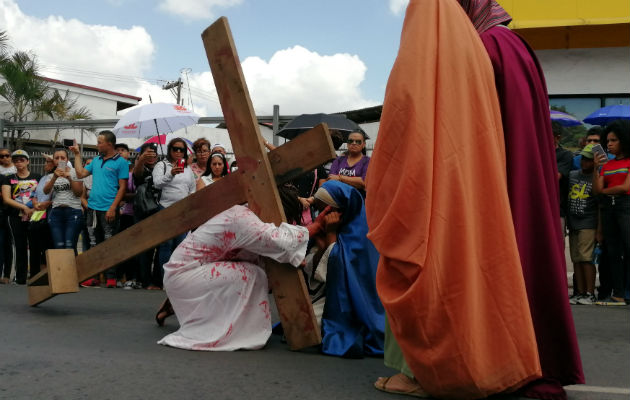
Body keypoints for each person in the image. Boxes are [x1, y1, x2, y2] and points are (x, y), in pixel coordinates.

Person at [365, 0, 540, 398]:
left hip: (430, 183)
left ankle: (422, 374)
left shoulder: (432, 43)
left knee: (427, 269)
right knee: (466, 271)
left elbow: (405, 114)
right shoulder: (478, 49)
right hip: (473, 186)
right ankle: (480, 362)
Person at [458, 1, 585, 397]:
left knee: (511, 259)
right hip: (514, 178)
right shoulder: (509, 44)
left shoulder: (490, 47)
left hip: (502, 183)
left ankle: (512, 362)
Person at [156, 186, 308, 351]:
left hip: (186, 275)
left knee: (258, 269)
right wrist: (318, 225)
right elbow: (281, 242)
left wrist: (292, 256)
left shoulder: (246, 214)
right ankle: (238, 331)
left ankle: (178, 304)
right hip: (184, 276)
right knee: (252, 274)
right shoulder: (244, 219)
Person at [308, 181, 384, 357]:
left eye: (328, 210)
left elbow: (335, 274)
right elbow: (314, 275)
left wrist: (331, 237)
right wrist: (322, 245)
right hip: (326, 297)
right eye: (320, 210)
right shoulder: (323, 227)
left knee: (316, 324)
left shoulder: (361, 236)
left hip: (356, 306)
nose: (322, 215)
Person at [71, 131, 129, 288]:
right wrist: (77, 155)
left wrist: (113, 207)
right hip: (92, 208)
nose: (97, 145)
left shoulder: (121, 162)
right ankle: (93, 276)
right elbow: (80, 173)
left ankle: (111, 277)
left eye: (99, 142)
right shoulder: (96, 160)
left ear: (109, 144)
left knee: (110, 243)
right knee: (93, 243)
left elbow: (123, 187)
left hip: (109, 209)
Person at [593, 119, 630, 306]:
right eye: (607, 141)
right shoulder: (607, 165)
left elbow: (625, 188)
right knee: (613, 252)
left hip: (625, 207)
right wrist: (596, 167)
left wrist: (605, 191)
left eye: (614, 140)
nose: (609, 144)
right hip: (609, 209)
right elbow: (596, 189)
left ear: (624, 140)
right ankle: (618, 294)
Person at [152, 138, 196, 289]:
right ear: (170, 150)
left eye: (181, 149)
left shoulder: (188, 169)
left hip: (183, 211)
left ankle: (179, 281)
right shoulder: (161, 165)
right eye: (175, 149)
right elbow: (157, 183)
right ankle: (166, 281)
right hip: (165, 208)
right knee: (166, 245)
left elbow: (192, 189)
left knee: (181, 246)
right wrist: (170, 173)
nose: (178, 152)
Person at [2, 150, 42, 284]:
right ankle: (20, 277)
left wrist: (32, 208)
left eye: (22, 160)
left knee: (35, 246)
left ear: (28, 161)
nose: (19, 162)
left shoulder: (38, 177)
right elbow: (7, 199)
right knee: (20, 246)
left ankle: (35, 276)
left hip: (34, 215)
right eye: (16, 160)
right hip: (15, 216)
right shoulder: (8, 178)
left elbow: (42, 195)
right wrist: (24, 208)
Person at [567, 145, 598, 305]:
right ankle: (579, 292)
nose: (585, 162)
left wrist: (599, 229)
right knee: (576, 259)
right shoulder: (572, 174)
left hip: (588, 222)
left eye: (589, 160)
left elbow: (600, 204)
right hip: (573, 223)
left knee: (586, 258)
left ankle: (590, 293)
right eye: (583, 158)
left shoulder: (597, 178)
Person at [133, 143, 161, 289]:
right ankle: (145, 281)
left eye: (153, 153)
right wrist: (141, 160)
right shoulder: (139, 167)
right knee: (144, 248)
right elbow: (136, 177)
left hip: (159, 210)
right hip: (143, 211)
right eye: (148, 153)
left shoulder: (161, 167)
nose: (151, 156)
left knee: (161, 246)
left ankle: (157, 280)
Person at [44, 149, 84, 251]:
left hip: (73, 211)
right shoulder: (51, 175)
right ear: (53, 161)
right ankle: (62, 267)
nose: (60, 160)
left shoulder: (75, 172)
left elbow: (79, 193)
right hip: (56, 212)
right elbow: (46, 191)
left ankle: (72, 267)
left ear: (67, 159)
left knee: (69, 246)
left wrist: (70, 178)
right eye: (56, 158)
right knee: (59, 246)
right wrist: (54, 177)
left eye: (63, 158)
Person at [328, 131, 369, 197]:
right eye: (350, 141)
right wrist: (354, 181)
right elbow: (331, 179)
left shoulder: (368, 161)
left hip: (358, 201)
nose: (354, 143)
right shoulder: (339, 160)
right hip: (338, 199)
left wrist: (340, 178)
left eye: (358, 142)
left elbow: (363, 182)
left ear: (364, 144)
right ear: (347, 144)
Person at [0, 148, 16, 284]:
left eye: (7, 155)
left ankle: (7, 274)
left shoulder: (17, 170)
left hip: (13, 210)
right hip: (1, 210)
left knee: (9, 244)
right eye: (1, 156)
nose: (5, 158)